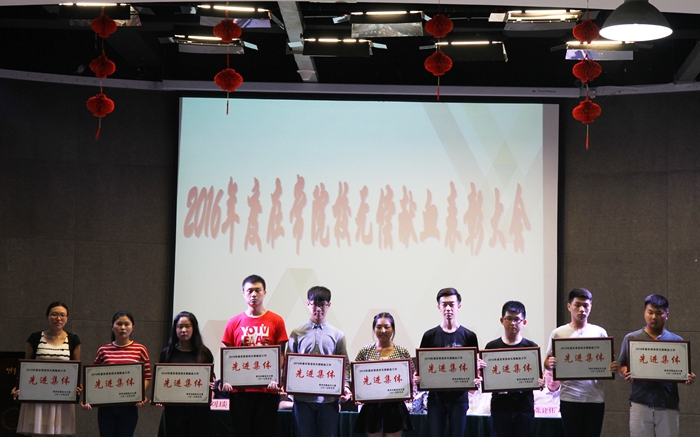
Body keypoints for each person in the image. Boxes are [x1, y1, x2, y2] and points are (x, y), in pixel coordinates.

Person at [544, 288, 619, 437]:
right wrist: (549, 363)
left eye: (585, 305)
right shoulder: (558, 333)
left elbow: (608, 362)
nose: (582, 309)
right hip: (569, 397)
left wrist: (613, 366)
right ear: (569, 306)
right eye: (577, 305)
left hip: (595, 398)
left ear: (591, 307)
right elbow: (546, 362)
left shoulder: (599, 332)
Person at [618, 294, 696, 437]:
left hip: (668, 404)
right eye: (650, 312)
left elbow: (683, 371)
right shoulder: (632, 338)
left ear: (667, 315)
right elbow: (621, 366)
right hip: (640, 403)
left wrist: (687, 377)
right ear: (644, 313)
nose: (654, 317)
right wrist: (626, 372)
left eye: (659, 313)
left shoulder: (677, 341)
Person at [220, 274, 288, 437]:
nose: (254, 294)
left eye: (258, 290)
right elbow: (228, 357)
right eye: (250, 291)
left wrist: (276, 378)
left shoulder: (277, 320)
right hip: (240, 391)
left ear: (265, 292)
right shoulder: (233, 322)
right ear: (243, 293)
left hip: (267, 390)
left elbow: (281, 354)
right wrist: (227, 379)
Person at [286, 286, 352, 437]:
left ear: (329, 305)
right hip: (302, 400)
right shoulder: (296, 333)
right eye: (314, 304)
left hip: (329, 400)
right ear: (308, 304)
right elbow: (289, 365)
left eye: (322, 304)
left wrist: (345, 387)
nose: (318, 309)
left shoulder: (338, 335)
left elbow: (345, 365)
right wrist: (287, 388)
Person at [11, 302, 81, 436]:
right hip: (37, 396)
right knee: (37, 432)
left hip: (61, 397)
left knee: (57, 433)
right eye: (54, 314)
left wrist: (78, 387)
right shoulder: (35, 338)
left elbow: (75, 370)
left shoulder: (73, 340)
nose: (58, 318)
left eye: (62, 315)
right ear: (47, 316)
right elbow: (25, 368)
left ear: (67, 318)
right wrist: (18, 386)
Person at [417, 288, 479, 437]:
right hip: (436, 399)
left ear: (459, 306)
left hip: (459, 399)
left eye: (452, 304)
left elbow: (475, 367)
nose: (448, 308)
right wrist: (417, 378)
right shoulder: (429, 336)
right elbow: (422, 367)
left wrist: (478, 374)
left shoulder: (469, 336)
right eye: (444, 305)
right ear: (439, 307)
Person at [84, 310, 152, 437]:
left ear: (133, 327)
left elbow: (147, 376)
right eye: (119, 324)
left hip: (129, 406)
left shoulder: (141, 349)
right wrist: (88, 398)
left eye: (127, 324)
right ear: (112, 326)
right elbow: (93, 377)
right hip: (106, 406)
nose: (123, 327)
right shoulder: (103, 350)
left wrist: (139, 395)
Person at [354, 312, 413, 437]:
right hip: (372, 406)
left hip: (395, 405)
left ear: (393, 329)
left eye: (387, 327)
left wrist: (411, 389)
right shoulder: (365, 351)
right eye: (379, 327)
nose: (383, 331)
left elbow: (411, 375)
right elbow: (356, 375)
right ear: (374, 329)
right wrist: (356, 393)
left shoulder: (402, 352)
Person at [484, 301, 538, 437]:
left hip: (524, 407)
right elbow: (487, 377)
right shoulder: (491, 347)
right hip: (500, 407)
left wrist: (539, 381)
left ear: (524, 322)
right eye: (509, 319)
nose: (513, 323)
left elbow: (536, 377)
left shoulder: (531, 348)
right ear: (502, 320)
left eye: (517, 319)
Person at [159, 311, 215, 437]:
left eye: (187, 326)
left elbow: (211, 376)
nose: (184, 330)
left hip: (199, 410)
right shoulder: (167, 353)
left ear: (194, 328)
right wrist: (160, 395)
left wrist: (212, 390)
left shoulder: (204, 353)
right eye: (180, 327)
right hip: (175, 410)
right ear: (175, 329)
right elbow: (162, 380)